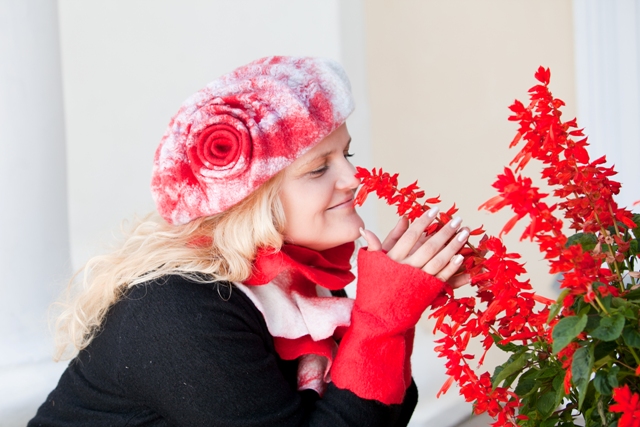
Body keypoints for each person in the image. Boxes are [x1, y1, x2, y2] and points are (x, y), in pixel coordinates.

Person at [29, 56, 470, 426]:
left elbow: (370, 414)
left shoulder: (297, 277)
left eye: (347, 154)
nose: (355, 179)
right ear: (249, 200)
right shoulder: (180, 309)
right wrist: (380, 320)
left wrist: (394, 312)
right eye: (319, 169)